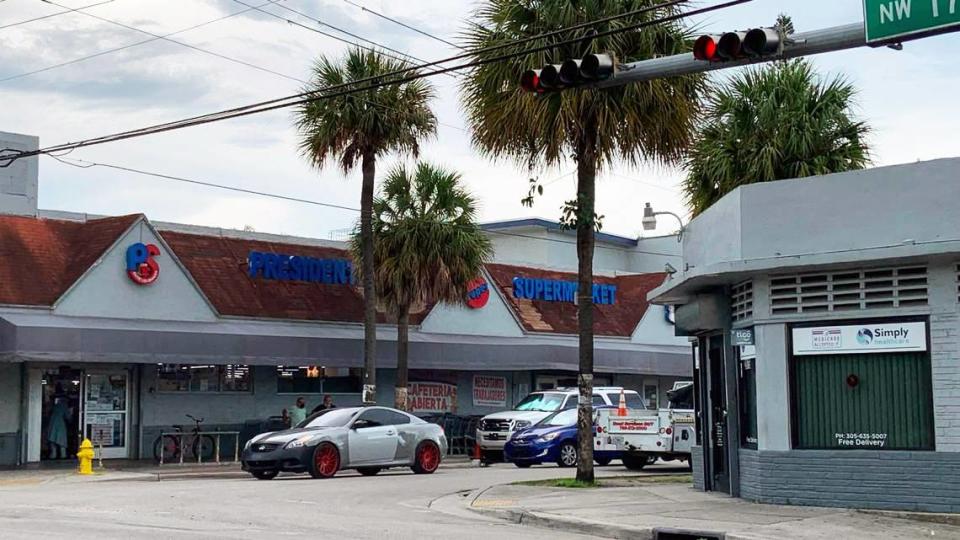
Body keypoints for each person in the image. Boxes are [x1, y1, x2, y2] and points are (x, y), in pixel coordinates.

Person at [47, 395, 71, 459]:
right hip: (60, 424)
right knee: (62, 441)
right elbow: (68, 417)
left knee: (53, 440)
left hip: (52, 424)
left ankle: (53, 455)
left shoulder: (55, 406)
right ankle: (63, 455)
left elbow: (49, 414)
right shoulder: (64, 406)